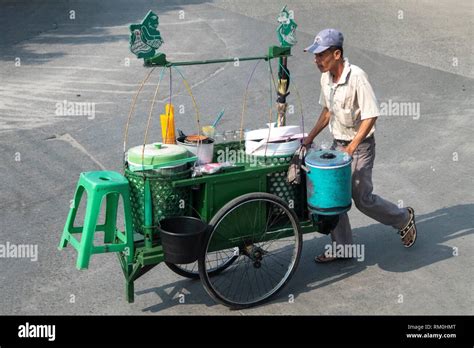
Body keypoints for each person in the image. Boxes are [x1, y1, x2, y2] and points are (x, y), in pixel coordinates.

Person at [301, 29, 417, 262]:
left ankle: (402, 218)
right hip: (338, 146)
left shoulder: (357, 77)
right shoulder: (326, 78)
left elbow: (371, 115)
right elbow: (327, 111)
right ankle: (342, 247)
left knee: (361, 198)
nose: (316, 61)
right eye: (315, 56)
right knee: (332, 196)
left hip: (360, 146)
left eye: (320, 55)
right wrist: (310, 137)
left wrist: (352, 147)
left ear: (336, 54)